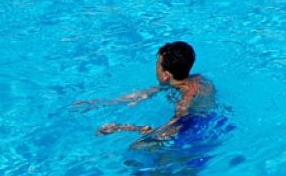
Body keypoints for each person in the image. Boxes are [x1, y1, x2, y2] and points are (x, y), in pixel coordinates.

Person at [89, 41, 217, 142]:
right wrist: (100, 103)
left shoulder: (184, 101)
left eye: (158, 64)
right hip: (213, 119)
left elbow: (166, 133)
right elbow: (149, 91)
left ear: (166, 74)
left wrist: (121, 128)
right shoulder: (197, 79)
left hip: (198, 133)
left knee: (137, 147)